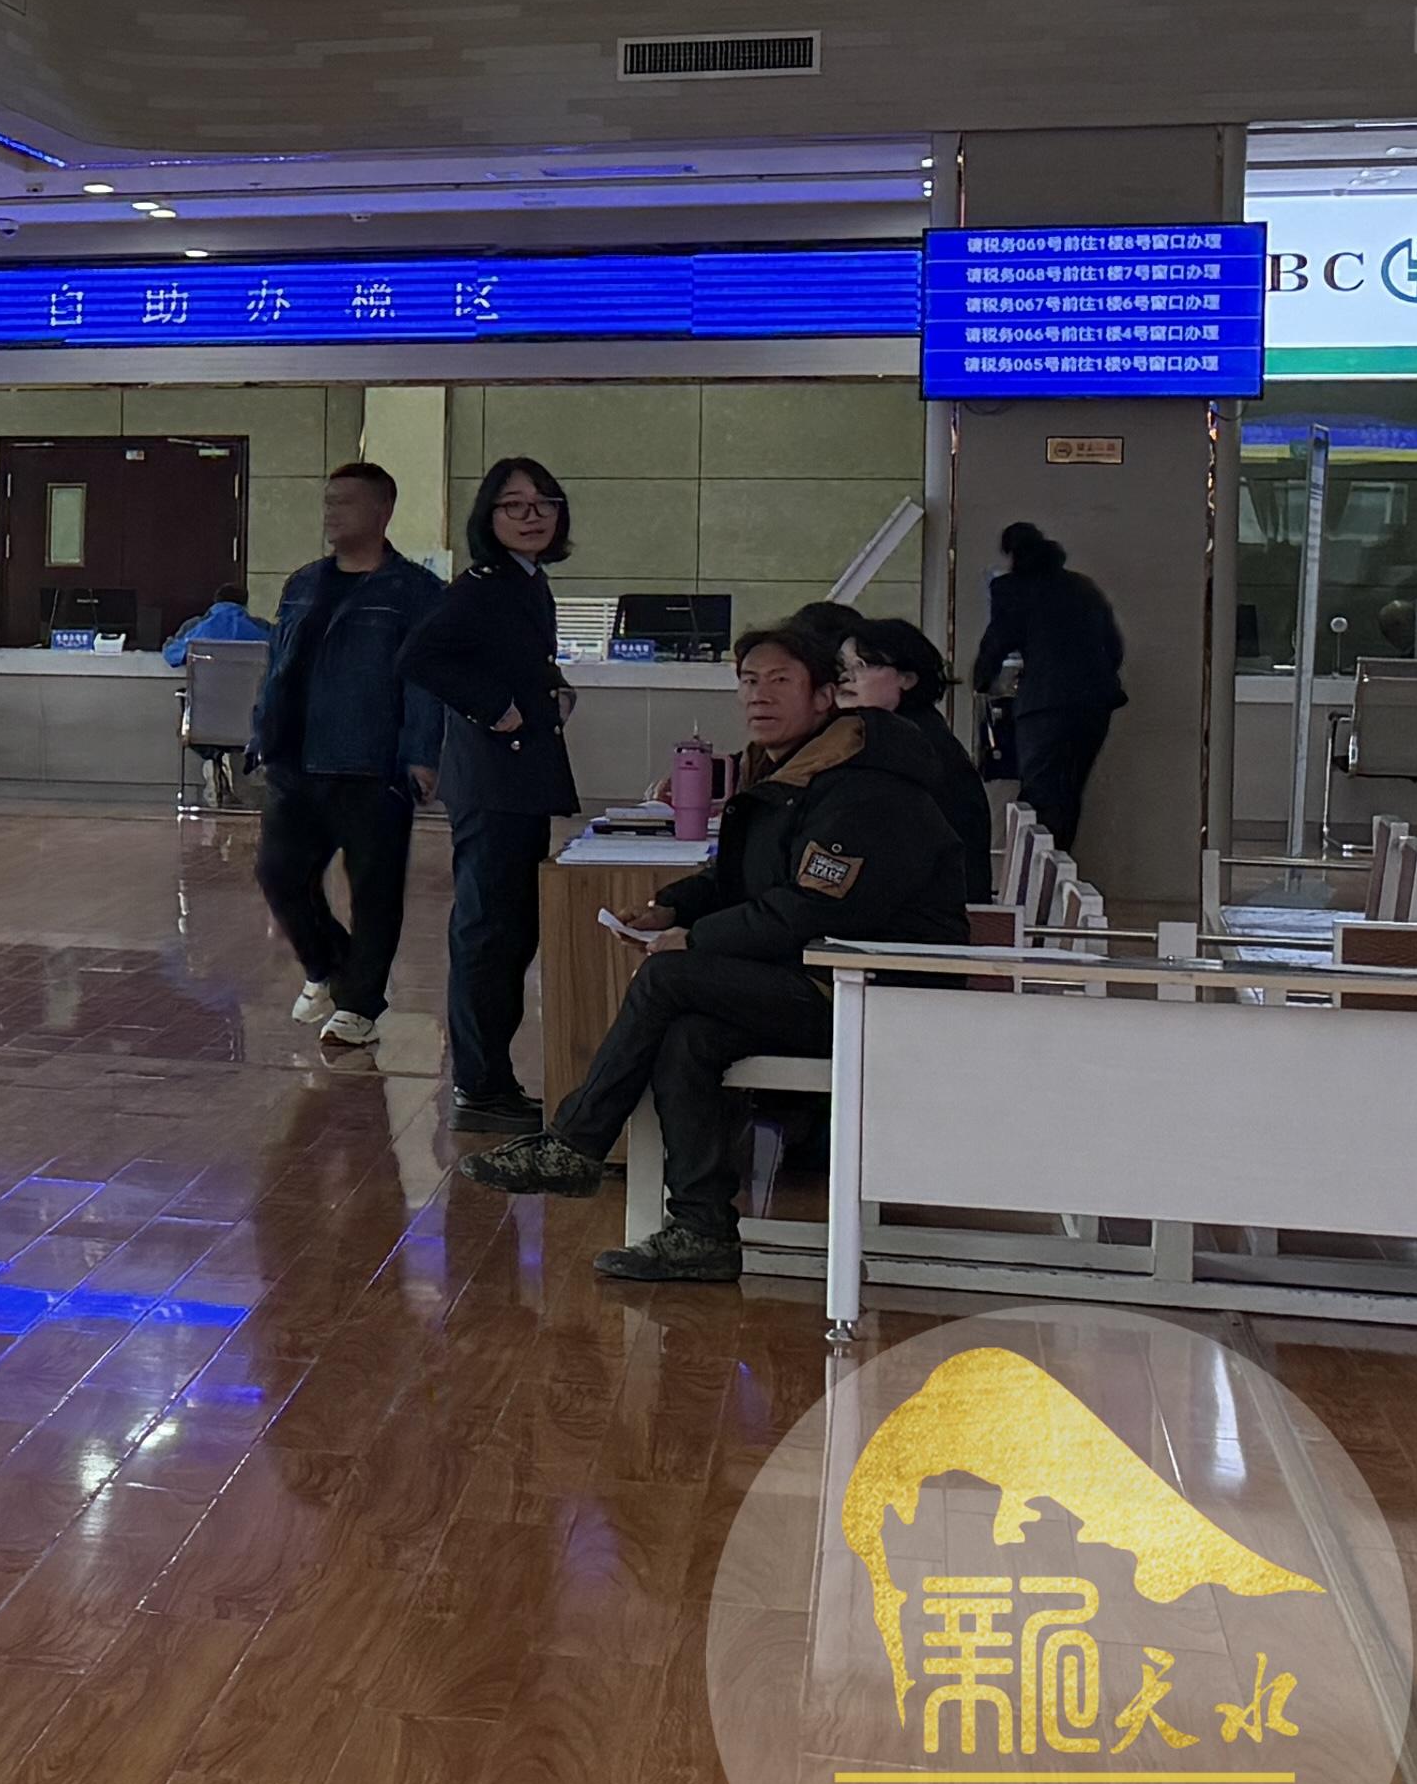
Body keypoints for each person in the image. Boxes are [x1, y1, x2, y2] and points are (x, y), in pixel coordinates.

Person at [460, 618, 981, 1283]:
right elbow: (740, 879)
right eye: (749, 680)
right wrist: (672, 906)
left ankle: (574, 1143)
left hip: (884, 993)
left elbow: (816, 905)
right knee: (689, 1038)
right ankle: (701, 1229)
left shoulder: (865, 784)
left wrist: (695, 937)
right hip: (823, 978)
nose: (759, 695)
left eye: (781, 680)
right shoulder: (789, 769)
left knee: (669, 978)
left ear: (826, 696)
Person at [245, 461, 447, 1058]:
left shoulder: (414, 591)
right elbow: (278, 663)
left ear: (383, 512)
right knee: (279, 874)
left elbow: (424, 680)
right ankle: (330, 967)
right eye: (328, 501)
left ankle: (358, 1007)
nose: (332, 513)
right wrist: (262, 731)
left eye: (346, 503)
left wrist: (421, 754)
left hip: (370, 762)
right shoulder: (304, 583)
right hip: (294, 758)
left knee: (374, 892)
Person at [402, 457, 580, 1136]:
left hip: (519, 779)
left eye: (544, 502)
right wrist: (494, 707)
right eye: (514, 505)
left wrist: (550, 688)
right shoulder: (483, 585)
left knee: (511, 931)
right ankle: (478, 1085)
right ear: (489, 516)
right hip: (493, 780)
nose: (532, 516)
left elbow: (513, 658)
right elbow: (421, 656)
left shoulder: (527, 582)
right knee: (488, 932)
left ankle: (493, 1079)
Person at [972, 521, 1127, 848]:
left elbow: (998, 640)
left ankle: (1037, 868)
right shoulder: (1083, 587)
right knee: (1069, 792)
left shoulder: (1012, 588)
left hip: (1044, 704)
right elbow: (1113, 647)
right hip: (1095, 704)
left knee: (1040, 794)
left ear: (1011, 554)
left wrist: (981, 680)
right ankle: (1059, 862)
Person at [836, 612, 994, 901]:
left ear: (907, 679)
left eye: (863, 664)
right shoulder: (910, 730)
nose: (847, 676)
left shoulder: (907, 747)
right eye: (843, 665)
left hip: (934, 915)